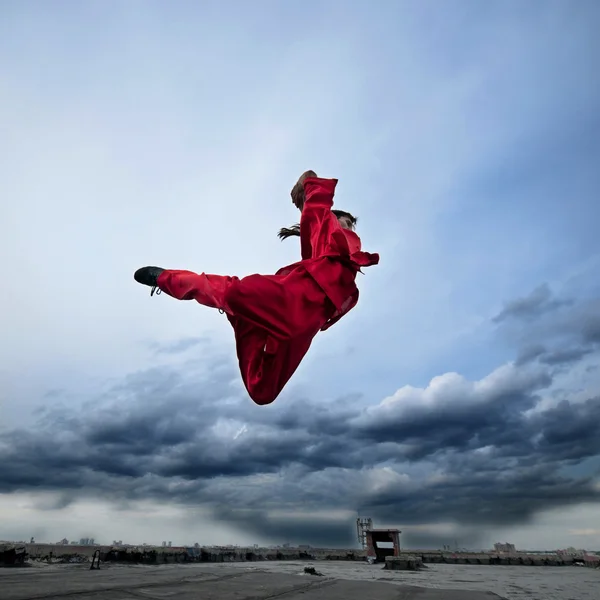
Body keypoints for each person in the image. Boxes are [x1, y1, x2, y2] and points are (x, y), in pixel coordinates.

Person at [134, 171, 379, 405]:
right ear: (334, 221)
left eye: (352, 226)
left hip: (303, 327)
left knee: (263, 392)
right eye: (347, 223)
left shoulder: (346, 260)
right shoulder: (331, 234)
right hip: (289, 295)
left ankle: (245, 322)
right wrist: (309, 183)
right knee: (229, 292)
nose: (351, 229)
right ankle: (166, 279)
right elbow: (316, 213)